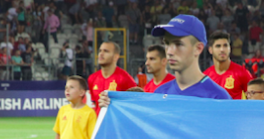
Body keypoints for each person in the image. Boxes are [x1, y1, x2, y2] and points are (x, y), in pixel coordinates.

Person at [99, 16, 231, 107]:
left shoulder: (218, 97)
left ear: (198, 48)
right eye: (167, 43)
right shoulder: (160, 93)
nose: (170, 51)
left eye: (178, 44)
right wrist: (113, 105)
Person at [87, 41, 137, 114]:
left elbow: (134, 106)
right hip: (99, 123)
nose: (101, 54)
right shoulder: (92, 78)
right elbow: (95, 104)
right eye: (100, 51)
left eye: (106, 51)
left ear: (115, 57)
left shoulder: (125, 79)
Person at [204, 31, 253, 99]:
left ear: (230, 48)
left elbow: (254, 101)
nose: (222, 49)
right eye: (218, 46)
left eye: (225, 45)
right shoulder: (206, 77)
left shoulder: (242, 73)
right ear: (210, 50)